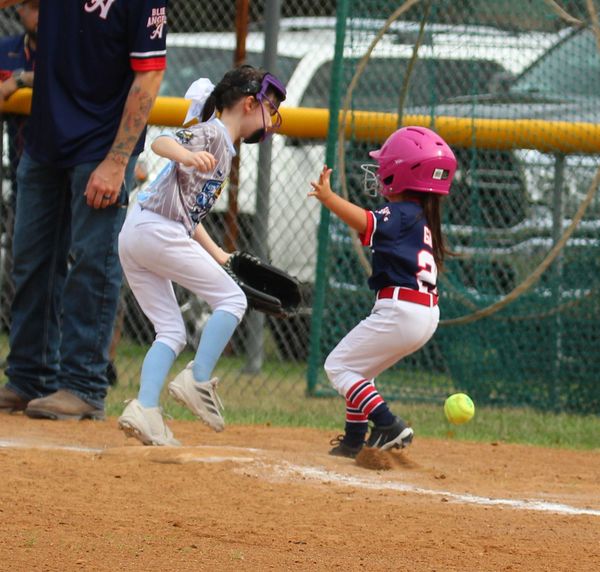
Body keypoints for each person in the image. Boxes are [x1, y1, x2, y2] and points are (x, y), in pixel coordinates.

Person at [0, 0, 168, 420]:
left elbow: (149, 75)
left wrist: (117, 161)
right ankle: (28, 377)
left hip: (101, 146)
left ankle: (84, 384)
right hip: (45, 139)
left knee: (92, 262)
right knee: (30, 260)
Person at [117, 65, 287, 446]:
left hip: (138, 233)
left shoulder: (223, 147)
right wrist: (187, 156)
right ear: (248, 104)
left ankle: (145, 409)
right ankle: (197, 379)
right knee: (232, 300)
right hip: (157, 230)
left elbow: (188, 217)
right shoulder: (214, 133)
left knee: (171, 330)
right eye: (270, 107)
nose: (272, 118)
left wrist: (219, 255)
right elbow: (162, 143)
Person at [308, 126, 457, 458]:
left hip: (401, 310)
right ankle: (353, 440)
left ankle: (388, 424)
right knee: (361, 370)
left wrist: (329, 198)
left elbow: (366, 222)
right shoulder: (419, 216)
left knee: (338, 367)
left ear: (402, 172)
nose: (378, 172)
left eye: (385, 165)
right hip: (422, 312)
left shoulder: (402, 213)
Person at [0, 0, 38, 331]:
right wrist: (19, 78)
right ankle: (19, 337)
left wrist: (23, 80)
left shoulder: (69, 45)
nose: (40, 15)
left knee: (84, 263)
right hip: (23, 172)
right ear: (20, 10)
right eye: (33, 6)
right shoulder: (8, 49)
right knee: (19, 261)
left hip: (75, 170)